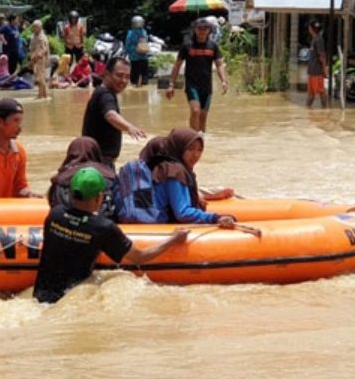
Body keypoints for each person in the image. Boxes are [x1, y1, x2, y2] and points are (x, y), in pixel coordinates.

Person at [33, 167, 189, 304]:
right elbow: (140, 257)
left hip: (39, 294)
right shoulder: (103, 227)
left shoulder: (55, 214)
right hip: (69, 299)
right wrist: (173, 238)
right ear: (98, 198)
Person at [152, 128, 236, 226]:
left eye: (199, 150)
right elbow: (182, 213)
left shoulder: (165, 165)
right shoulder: (175, 171)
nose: (195, 155)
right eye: (190, 148)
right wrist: (215, 218)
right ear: (179, 147)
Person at [166, 19, 229, 133]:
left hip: (206, 86)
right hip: (192, 84)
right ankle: (192, 138)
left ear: (209, 30)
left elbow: (219, 64)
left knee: (203, 116)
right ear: (194, 29)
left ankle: (201, 141)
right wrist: (171, 84)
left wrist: (223, 80)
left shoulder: (213, 46)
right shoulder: (187, 45)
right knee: (195, 111)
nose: (202, 31)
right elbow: (177, 66)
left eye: (205, 28)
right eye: (199, 28)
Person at [81, 57, 146, 168]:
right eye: (119, 75)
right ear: (107, 74)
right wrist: (129, 127)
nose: (124, 81)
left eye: (127, 77)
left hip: (97, 160)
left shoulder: (103, 92)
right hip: (99, 163)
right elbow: (110, 115)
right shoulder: (105, 94)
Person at [46, 136, 117, 218]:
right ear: (96, 152)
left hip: (67, 221)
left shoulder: (59, 179)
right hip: (103, 220)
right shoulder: (110, 175)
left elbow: (53, 203)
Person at [305, 20, 328, 109]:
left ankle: (325, 110)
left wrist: (324, 70)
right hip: (312, 71)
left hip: (317, 72)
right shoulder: (314, 39)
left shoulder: (319, 39)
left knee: (321, 92)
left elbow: (322, 56)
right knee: (311, 94)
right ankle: (308, 110)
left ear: (310, 29)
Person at [124, 15, 150, 87]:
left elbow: (127, 44)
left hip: (134, 55)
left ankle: (134, 83)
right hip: (143, 54)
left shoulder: (131, 33)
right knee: (144, 70)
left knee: (135, 70)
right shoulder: (144, 32)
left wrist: (125, 53)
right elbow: (146, 41)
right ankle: (144, 84)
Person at [28, 20, 50, 99]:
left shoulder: (41, 37)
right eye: (33, 27)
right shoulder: (34, 36)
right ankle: (43, 95)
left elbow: (44, 50)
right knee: (40, 78)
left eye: (36, 27)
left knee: (41, 78)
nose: (34, 28)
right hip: (35, 59)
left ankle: (42, 95)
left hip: (40, 60)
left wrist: (36, 58)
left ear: (40, 27)